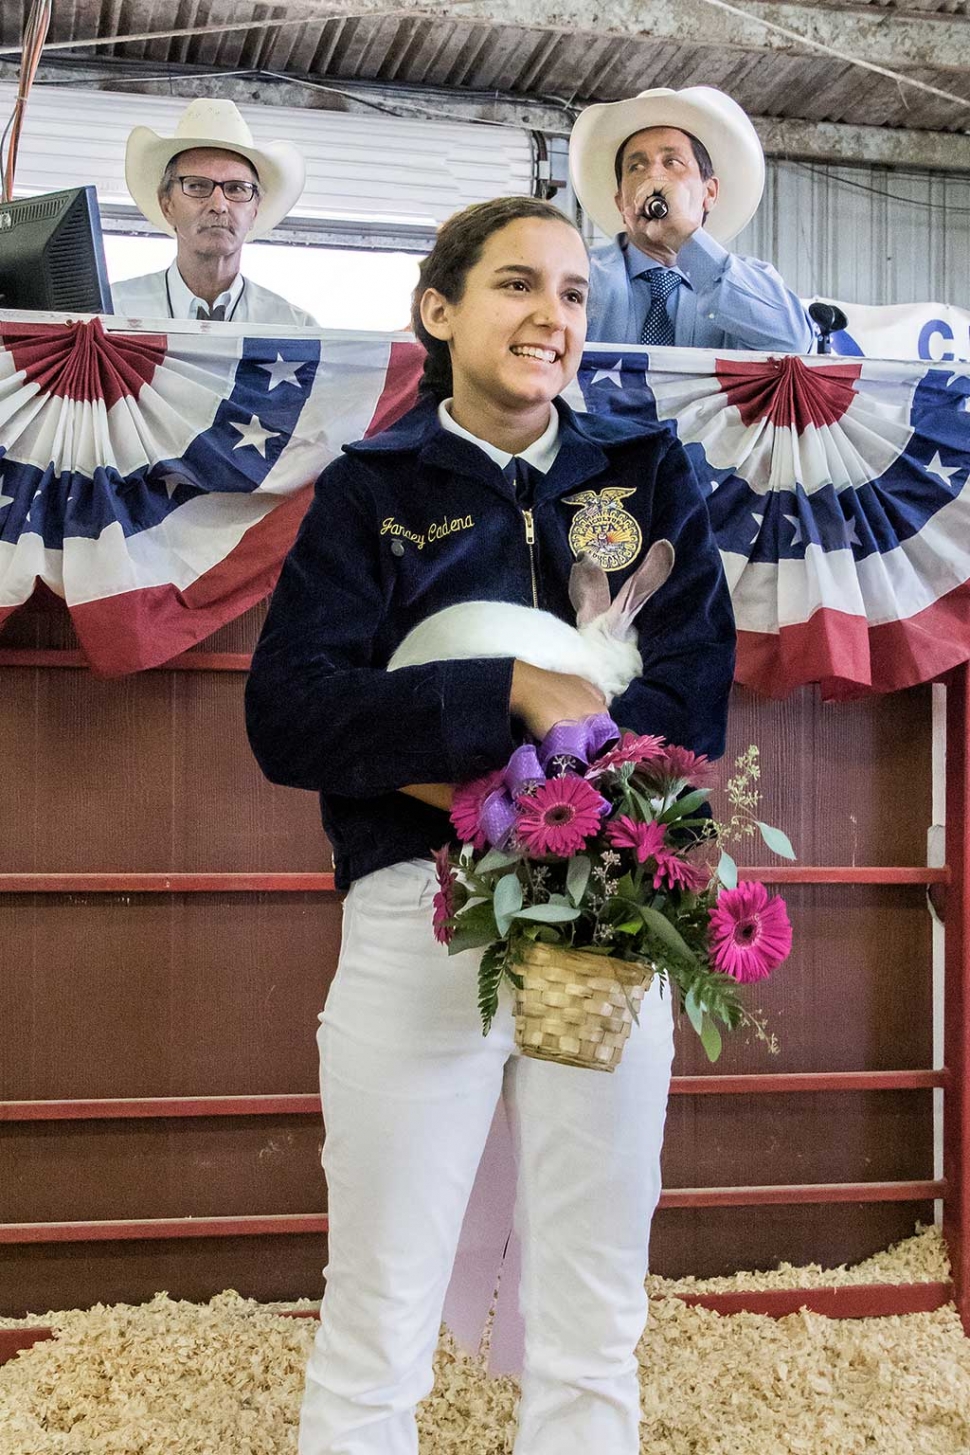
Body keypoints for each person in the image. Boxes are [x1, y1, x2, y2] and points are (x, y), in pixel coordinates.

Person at [245, 195, 735, 1455]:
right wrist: (507, 699)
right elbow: (293, 715)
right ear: (438, 310)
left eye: (573, 294)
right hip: (421, 910)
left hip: (609, 923)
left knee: (594, 1296)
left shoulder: (644, 473)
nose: (552, 317)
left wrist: (563, 811)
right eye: (517, 286)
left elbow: (688, 701)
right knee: (383, 1291)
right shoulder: (368, 492)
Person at [570, 85, 815, 352]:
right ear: (621, 202)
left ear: (709, 193)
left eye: (672, 162)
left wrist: (684, 235)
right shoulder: (578, 272)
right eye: (636, 166)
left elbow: (794, 342)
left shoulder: (749, 283)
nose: (654, 176)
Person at [111, 98, 317, 325]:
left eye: (237, 188)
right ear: (167, 205)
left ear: (254, 211)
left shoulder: (293, 329)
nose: (219, 205)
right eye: (197, 186)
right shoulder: (112, 314)